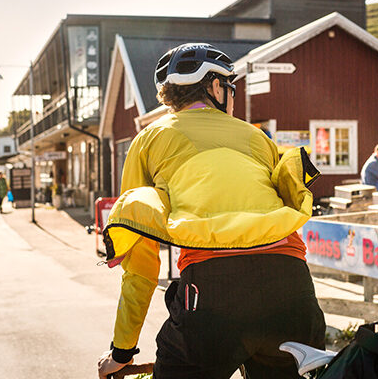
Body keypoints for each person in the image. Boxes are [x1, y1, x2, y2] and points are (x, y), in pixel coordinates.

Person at [96, 43, 326, 379]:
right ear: (216, 87)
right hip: (292, 286)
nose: (232, 97)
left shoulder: (148, 140)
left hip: (212, 293)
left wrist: (122, 351)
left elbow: (140, 259)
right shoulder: (257, 137)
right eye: (230, 88)